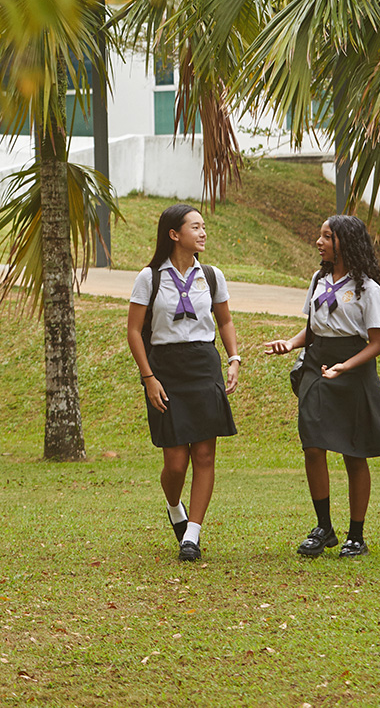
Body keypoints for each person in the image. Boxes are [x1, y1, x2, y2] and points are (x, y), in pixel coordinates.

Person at [264, 214, 380, 559]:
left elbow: (376, 344)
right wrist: (291, 344)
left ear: (344, 243)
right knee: (312, 444)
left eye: (326, 237)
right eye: (320, 236)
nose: (318, 242)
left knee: (354, 452)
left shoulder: (369, 289)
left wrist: (345, 366)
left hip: (353, 369)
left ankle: (356, 535)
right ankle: (324, 527)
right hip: (317, 364)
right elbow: (312, 328)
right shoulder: (318, 279)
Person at [127, 203, 241, 563]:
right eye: (195, 227)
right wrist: (149, 377)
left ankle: (192, 534)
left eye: (203, 226)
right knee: (176, 463)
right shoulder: (149, 278)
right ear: (174, 234)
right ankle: (174, 506)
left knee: (204, 455)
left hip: (203, 366)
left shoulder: (212, 275)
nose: (203, 232)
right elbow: (134, 331)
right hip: (166, 368)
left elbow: (224, 321)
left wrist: (234, 358)